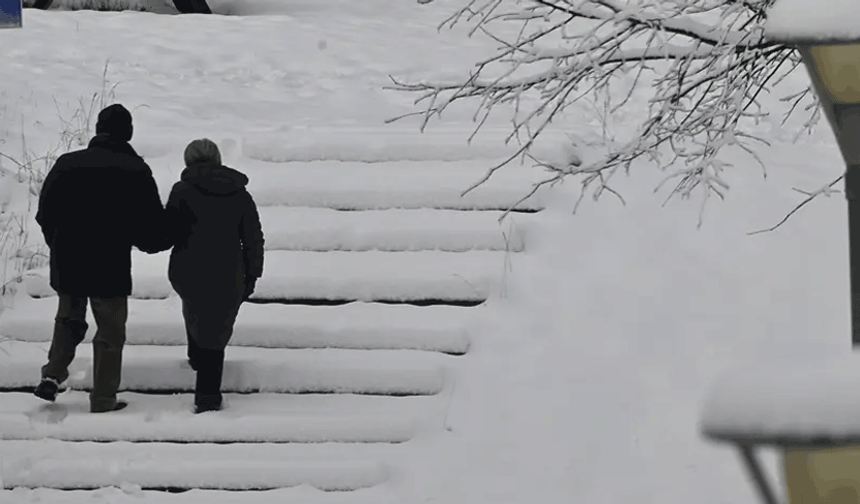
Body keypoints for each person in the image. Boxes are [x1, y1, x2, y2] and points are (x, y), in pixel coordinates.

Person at [33, 103, 167, 413]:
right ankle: (103, 398)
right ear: (128, 133)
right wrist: (159, 241)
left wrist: (58, 243)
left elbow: (45, 213)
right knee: (110, 332)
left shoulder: (67, 164)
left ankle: (52, 376)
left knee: (68, 319)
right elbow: (150, 225)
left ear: (97, 130)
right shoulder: (135, 170)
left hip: (68, 259)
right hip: (110, 264)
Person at [164, 138, 264, 413]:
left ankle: (198, 361)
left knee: (197, 315)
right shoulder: (239, 194)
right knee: (217, 330)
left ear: (188, 161)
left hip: (189, 271)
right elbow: (253, 238)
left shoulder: (182, 191)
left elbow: (168, 232)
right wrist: (252, 275)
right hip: (229, 273)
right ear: (218, 159)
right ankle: (207, 395)